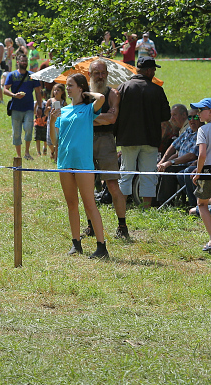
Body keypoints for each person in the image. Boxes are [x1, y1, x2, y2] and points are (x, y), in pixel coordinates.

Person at [49, 73, 109, 259]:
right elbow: (54, 140)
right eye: (66, 85)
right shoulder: (63, 111)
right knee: (71, 204)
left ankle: (101, 247)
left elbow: (102, 98)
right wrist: (51, 121)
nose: (67, 88)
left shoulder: (89, 109)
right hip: (65, 162)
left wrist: (87, 93)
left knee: (89, 203)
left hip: (83, 163)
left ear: (80, 88)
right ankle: (76, 244)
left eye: (70, 85)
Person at [115, 56, 171, 208]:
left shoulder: (123, 88)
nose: (154, 72)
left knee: (126, 173)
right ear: (148, 71)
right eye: (153, 69)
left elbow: (115, 114)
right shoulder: (157, 90)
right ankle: (146, 207)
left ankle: (122, 206)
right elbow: (166, 115)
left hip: (128, 139)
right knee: (149, 175)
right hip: (150, 139)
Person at [87, 59, 129, 239]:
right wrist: (98, 117)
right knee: (86, 185)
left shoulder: (113, 93)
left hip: (106, 140)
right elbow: (77, 116)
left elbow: (112, 119)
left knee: (112, 184)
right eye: (96, 73)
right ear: (90, 74)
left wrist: (88, 116)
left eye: (103, 72)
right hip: (86, 140)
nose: (100, 76)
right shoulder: (84, 94)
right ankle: (91, 226)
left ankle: (122, 226)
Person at [157, 107, 200, 207]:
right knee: (159, 166)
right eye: (190, 117)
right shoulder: (188, 131)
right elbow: (174, 146)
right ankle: (154, 201)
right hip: (179, 162)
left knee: (169, 169)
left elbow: (191, 156)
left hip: (190, 164)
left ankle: (165, 204)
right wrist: (163, 161)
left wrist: (170, 162)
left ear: (201, 118)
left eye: (195, 117)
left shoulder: (201, 132)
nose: (192, 120)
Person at [3, 54, 42, 160]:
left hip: (29, 107)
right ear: (18, 62)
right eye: (22, 61)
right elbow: (5, 89)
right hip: (16, 107)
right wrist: (14, 95)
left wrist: (40, 107)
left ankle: (27, 153)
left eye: (26, 61)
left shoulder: (32, 76)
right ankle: (19, 155)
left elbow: (38, 92)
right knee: (16, 132)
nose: (25, 63)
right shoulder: (12, 75)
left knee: (29, 129)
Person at [189, 98, 211, 251]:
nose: (197, 114)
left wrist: (198, 172)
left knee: (202, 204)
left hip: (207, 170)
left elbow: (202, 154)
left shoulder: (203, 130)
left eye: (201, 110)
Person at [46, 84, 66, 159]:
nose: (56, 92)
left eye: (58, 90)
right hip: (50, 122)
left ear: (62, 92)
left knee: (58, 140)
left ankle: (56, 157)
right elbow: (44, 113)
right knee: (49, 141)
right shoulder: (50, 101)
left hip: (60, 123)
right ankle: (52, 150)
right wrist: (47, 109)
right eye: (55, 90)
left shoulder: (63, 102)